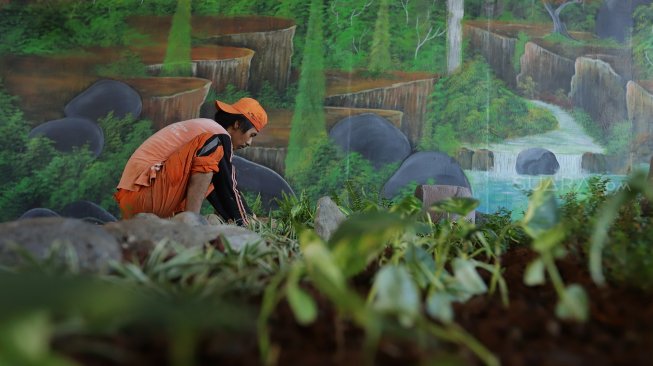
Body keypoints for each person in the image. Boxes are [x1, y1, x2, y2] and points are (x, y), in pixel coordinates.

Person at [114, 97, 267, 226]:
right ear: (237, 124)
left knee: (215, 172)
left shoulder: (206, 128)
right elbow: (229, 186)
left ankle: (190, 220)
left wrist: (243, 216)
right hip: (144, 194)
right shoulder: (217, 136)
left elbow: (222, 187)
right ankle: (192, 223)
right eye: (252, 135)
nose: (249, 143)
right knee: (213, 148)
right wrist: (248, 223)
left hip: (133, 201)